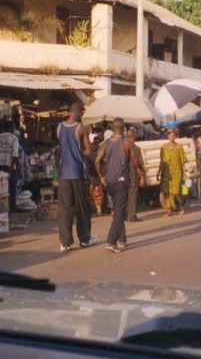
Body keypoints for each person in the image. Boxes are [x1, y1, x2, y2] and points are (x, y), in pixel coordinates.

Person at [95, 118, 143, 253]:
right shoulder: (127, 143)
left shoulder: (106, 143)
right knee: (119, 213)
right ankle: (111, 241)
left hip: (110, 181)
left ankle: (122, 240)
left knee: (118, 209)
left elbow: (97, 161)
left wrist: (101, 176)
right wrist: (141, 172)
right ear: (124, 128)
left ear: (113, 127)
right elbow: (135, 162)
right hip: (122, 180)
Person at [56, 103, 96, 252]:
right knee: (82, 207)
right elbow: (88, 151)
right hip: (77, 172)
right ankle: (84, 239)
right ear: (79, 113)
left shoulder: (59, 127)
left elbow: (62, 147)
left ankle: (65, 242)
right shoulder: (82, 128)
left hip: (63, 173)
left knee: (64, 208)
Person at [158, 129, 188, 217]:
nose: (172, 137)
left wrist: (184, 173)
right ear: (168, 136)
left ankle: (179, 205)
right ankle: (169, 210)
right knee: (167, 192)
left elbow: (182, 161)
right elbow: (162, 161)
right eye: (170, 136)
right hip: (166, 172)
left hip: (177, 172)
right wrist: (158, 172)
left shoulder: (179, 147)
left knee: (176, 191)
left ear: (176, 136)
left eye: (173, 136)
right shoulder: (163, 147)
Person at [0, 121, 20, 213]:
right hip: (10, 166)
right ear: (12, 128)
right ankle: (11, 209)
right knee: (11, 189)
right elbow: (15, 156)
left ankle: (1, 208)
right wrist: (11, 169)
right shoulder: (15, 138)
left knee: (0, 189)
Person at [126, 128, 146, 222]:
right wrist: (142, 176)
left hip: (123, 175)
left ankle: (125, 215)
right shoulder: (136, 148)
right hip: (133, 175)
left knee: (125, 196)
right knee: (133, 195)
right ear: (134, 137)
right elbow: (139, 163)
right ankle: (132, 216)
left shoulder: (122, 147)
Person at [87, 138, 106, 216]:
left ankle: (95, 209)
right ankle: (99, 208)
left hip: (91, 179)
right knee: (99, 194)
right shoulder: (99, 156)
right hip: (98, 178)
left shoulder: (88, 157)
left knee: (92, 195)